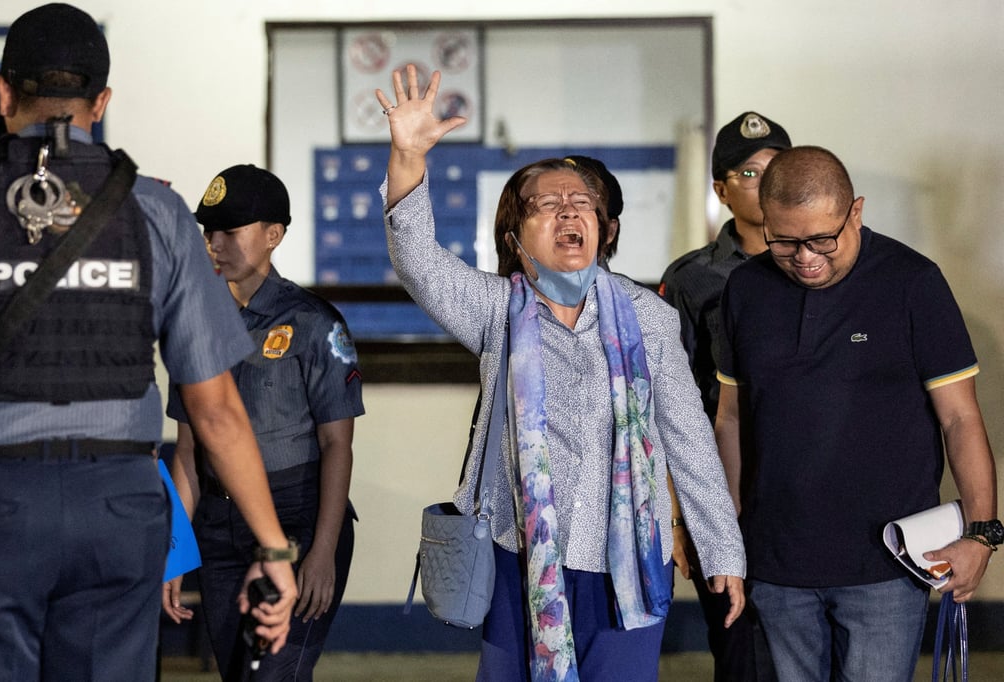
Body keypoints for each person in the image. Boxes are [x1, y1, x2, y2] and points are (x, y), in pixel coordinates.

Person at [377, 64, 745, 682]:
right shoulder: (496, 310)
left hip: (624, 559)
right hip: (517, 556)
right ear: (516, 235)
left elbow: (689, 442)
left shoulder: (648, 319)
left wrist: (722, 548)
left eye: (582, 204)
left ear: (603, 229)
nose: (568, 212)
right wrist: (407, 156)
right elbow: (416, 260)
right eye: (546, 205)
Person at [0, 4, 296, 680]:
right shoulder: (156, 212)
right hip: (117, 506)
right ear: (103, 101)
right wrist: (272, 549)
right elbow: (215, 409)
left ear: (4, 93)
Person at [714, 145, 999, 681]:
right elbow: (730, 420)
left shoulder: (913, 283)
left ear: (857, 212)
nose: (806, 258)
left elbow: (960, 419)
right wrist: (724, 538)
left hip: (886, 566)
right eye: (785, 241)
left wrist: (982, 534)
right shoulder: (745, 290)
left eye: (823, 239)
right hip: (775, 565)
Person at [161, 165, 364, 680]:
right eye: (209, 231)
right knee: (239, 673)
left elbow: (337, 445)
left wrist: (321, 553)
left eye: (230, 230)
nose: (215, 243)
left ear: (273, 236)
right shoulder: (195, 322)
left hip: (296, 517)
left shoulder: (313, 323)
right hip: (217, 526)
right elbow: (186, 451)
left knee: (275, 674)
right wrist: (174, 549)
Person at [658, 111, 789, 681]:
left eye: (780, 169)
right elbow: (669, 405)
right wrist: (681, 518)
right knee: (742, 660)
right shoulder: (693, 280)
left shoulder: (826, 264)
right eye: (752, 172)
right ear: (721, 189)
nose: (769, 183)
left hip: (809, 500)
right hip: (725, 501)